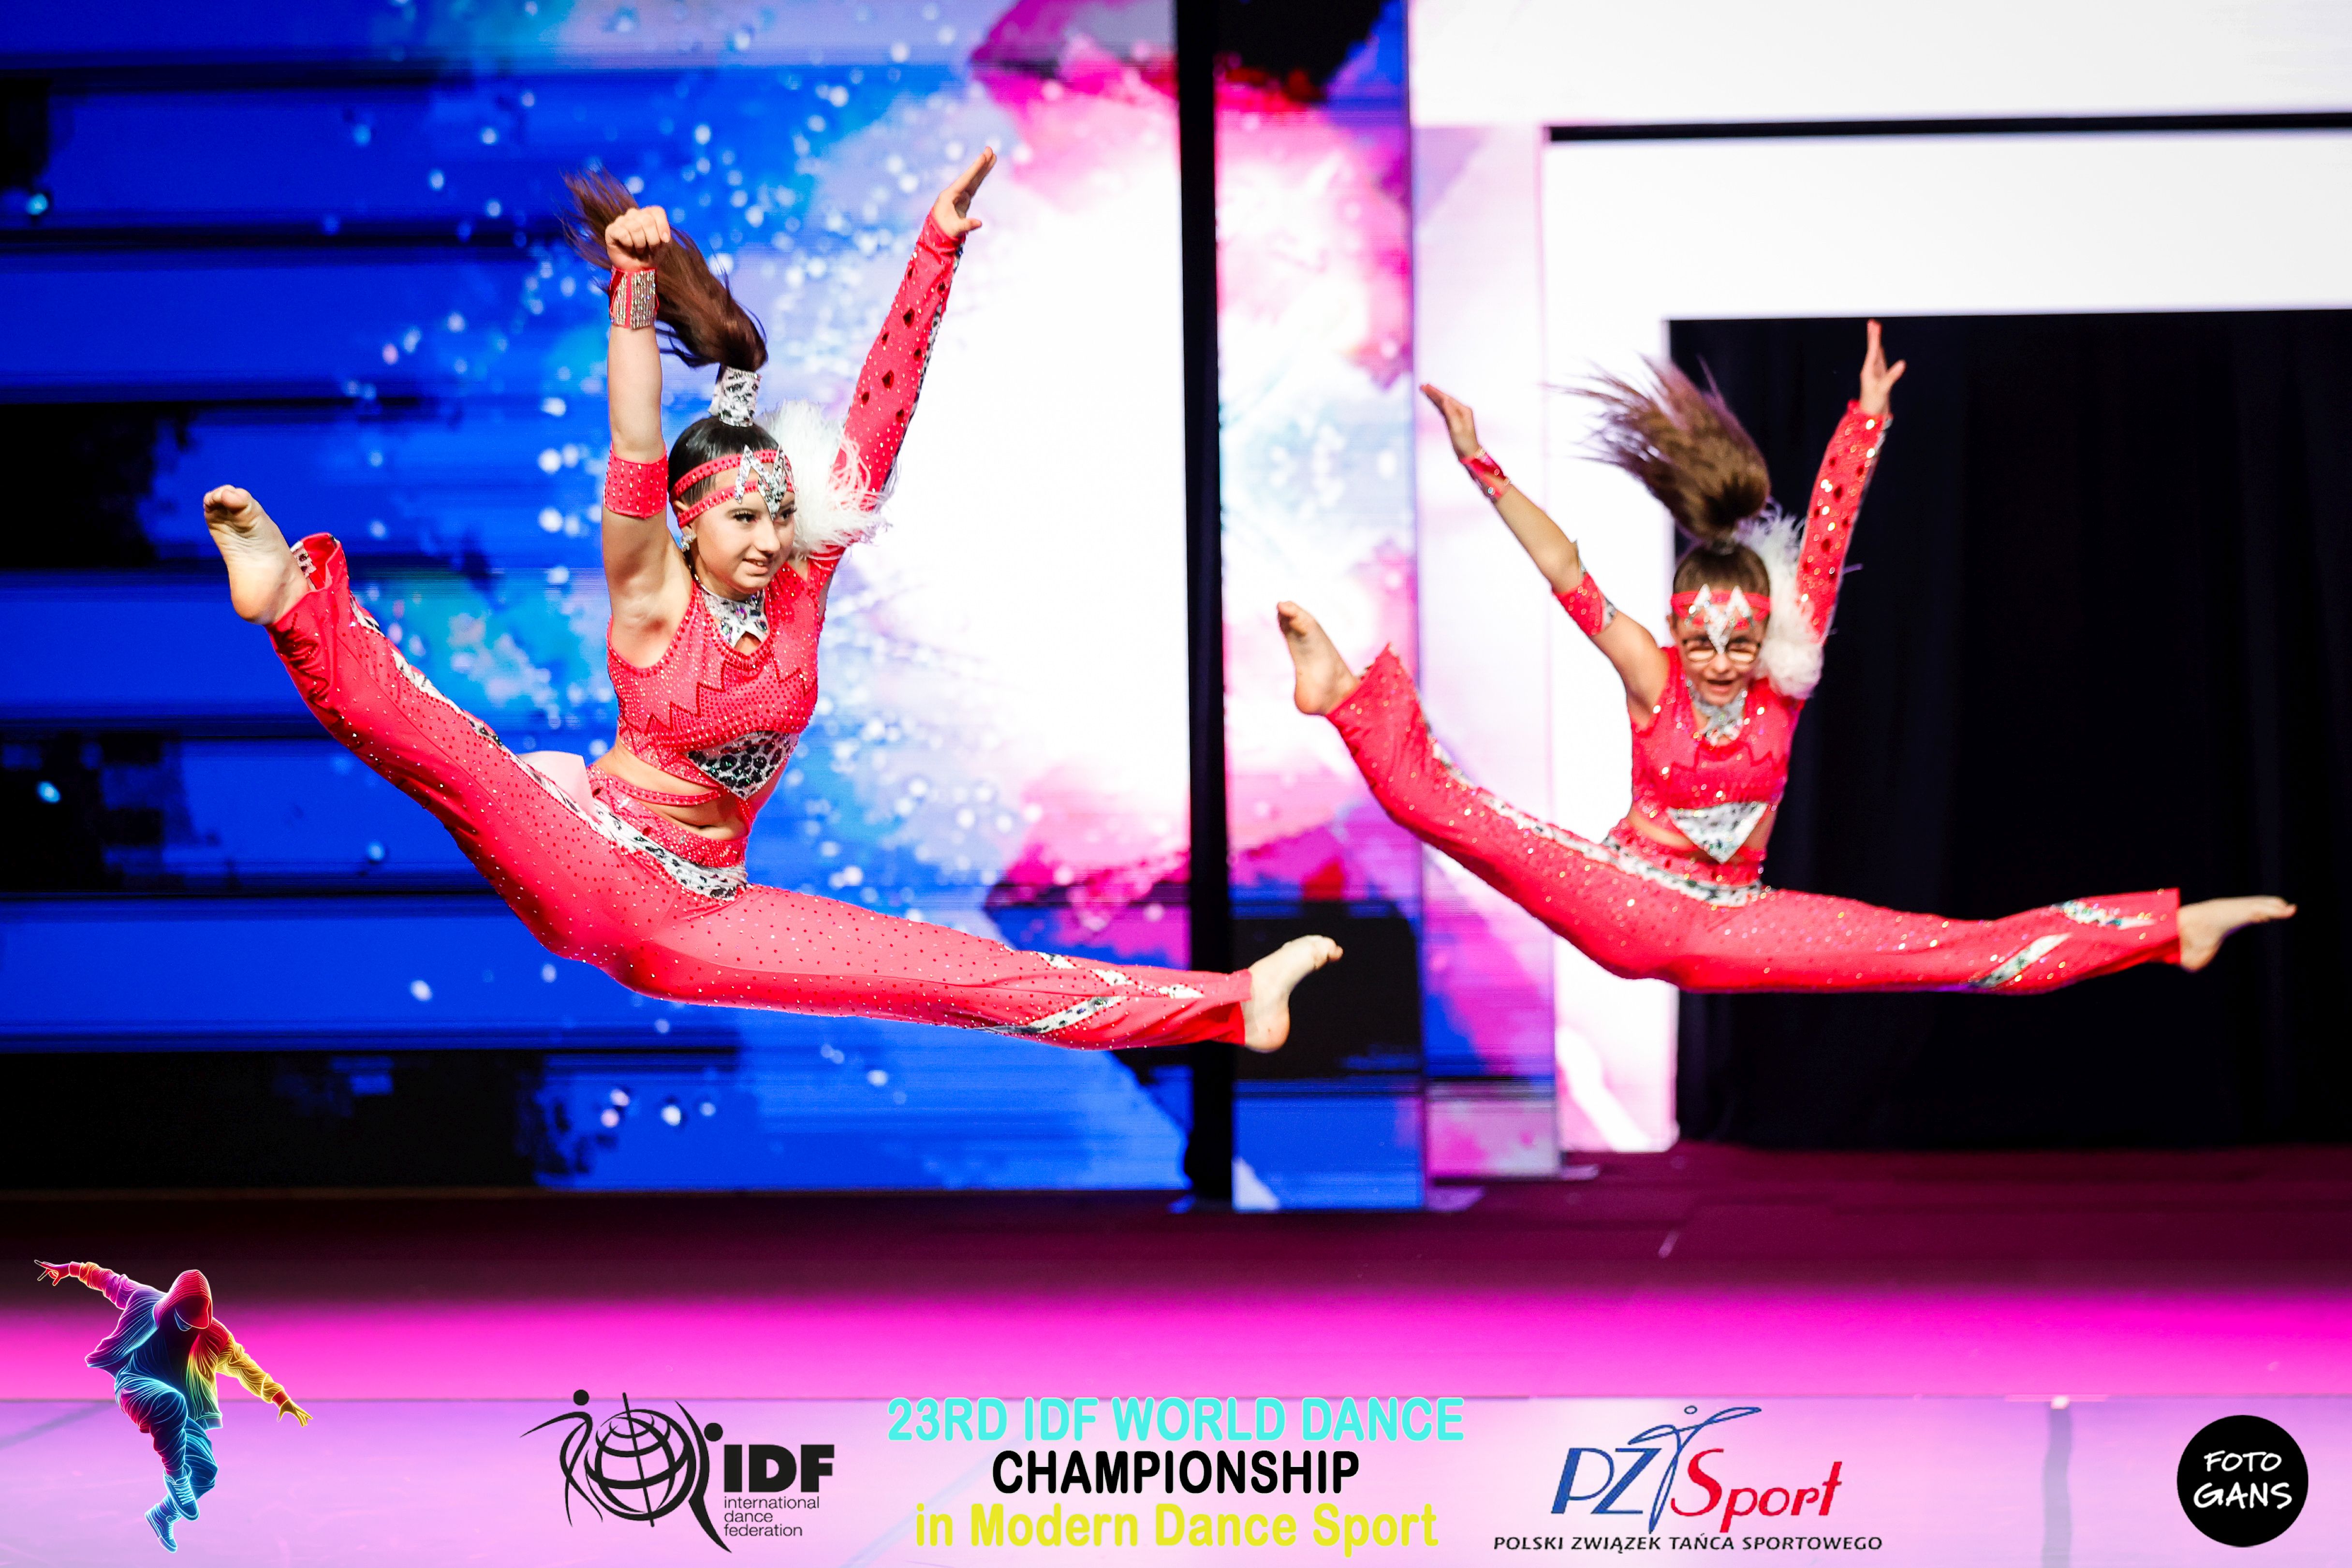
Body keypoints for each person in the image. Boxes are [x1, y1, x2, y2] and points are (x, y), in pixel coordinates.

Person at [201, 149, 1336, 1047]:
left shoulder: (798, 584)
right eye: (741, 519)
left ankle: (1233, 1001)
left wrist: (934, 250)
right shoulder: (650, 591)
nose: (767, 537)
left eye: (778, 515)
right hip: (587, 854)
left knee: (957, 972)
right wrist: (633, 286)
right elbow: (634, 437)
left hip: (706, 913)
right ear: (687, 523)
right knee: (448, 746)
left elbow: (879, 422)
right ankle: (293, 600)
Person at [1277, 323, 2291, 992]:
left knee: (1954, 951)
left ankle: (2165, 928)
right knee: (1449, 808)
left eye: (1739, 643)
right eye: (1700, 642)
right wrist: (1480, 462)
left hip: (1737, 923)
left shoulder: (1779, 689)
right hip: (1618, 896)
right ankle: (1340, 693)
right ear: (1675, 631)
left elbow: (1823, 548)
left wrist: (1864, 422)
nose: (1718, 662)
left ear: (1766, 638)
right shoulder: (1649, 675)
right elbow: (1565, 570)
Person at [35, 1260, 309, 1553]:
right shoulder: (144, 1300)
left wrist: (280, 1397)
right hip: (135, 1384)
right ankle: (176, 1479)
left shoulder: (215, 1336)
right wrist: (71, 1269)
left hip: (185, 1411)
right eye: (185, 1319)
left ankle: (163, 1515)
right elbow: (109, 1280)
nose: (189, 1327)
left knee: (205, 1476)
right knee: (171, 1401)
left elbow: (244, 1367)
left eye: (197, 1323)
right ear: (172, 1304)